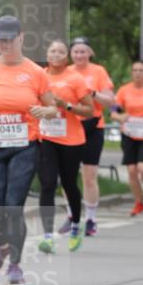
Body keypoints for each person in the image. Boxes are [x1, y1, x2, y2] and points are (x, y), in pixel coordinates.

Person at [0, 15, 59, 284]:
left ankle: (15, 264)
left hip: (25, 147)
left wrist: (46, 111)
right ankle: (2, 246)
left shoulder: (35, 72)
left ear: (21, 38)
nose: (5, 45)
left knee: (14, 206)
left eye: (9, 39)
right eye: (0, 40)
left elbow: (52, 107)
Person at [37, 41, 94, 253]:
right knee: (47, 183)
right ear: (47, 54)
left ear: (66, 57)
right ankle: (47, 236)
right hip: (46, 138)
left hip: (71, 140)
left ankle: (76, 226)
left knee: (69, 184)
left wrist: (66, 106)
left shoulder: (74, 78)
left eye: (61, 51)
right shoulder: (39, 76)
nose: (56, 54)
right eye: (52, 50)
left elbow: (89, 111)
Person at [62, 37, 114, 236]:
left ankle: (91, 219)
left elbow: (110, 101)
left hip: (93, 127)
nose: (79, 55)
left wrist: (92, 94)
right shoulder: (66, 72)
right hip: (71, 127)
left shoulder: (98, 71)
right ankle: (71, 215)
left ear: (90, 53)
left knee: (89, 176)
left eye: (83, 51)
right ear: (71, 54)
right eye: (76, 52)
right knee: (68, 175)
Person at [111, 61, 143, 216]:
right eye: (135, 70)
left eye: (141, 70)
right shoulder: (124, 90)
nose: (137, 73)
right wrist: (119, 116)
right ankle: (138, 202)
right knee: (131, 170)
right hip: (129, 134)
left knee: (142, 168)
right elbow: (113, 111)